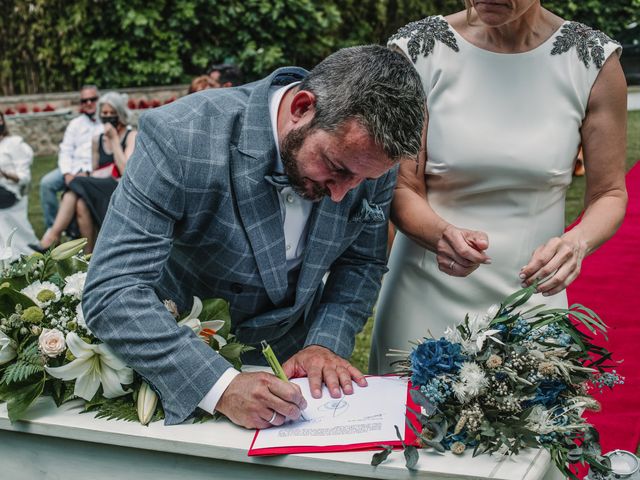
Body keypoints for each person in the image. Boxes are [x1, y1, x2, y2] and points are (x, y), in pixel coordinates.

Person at [82, 45, 426, 429]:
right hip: (178, 357)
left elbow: (361, 263)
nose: (341, 194)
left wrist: (324, 343)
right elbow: (113, 289)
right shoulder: (180, 137)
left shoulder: (366, 159)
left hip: (294, 382)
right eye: (335, 168)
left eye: (364, 180)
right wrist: (221, 385)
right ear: (301, 108)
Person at [369, 1, 628, 374]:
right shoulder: (419, 51)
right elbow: (402, 186)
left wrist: (576, 243)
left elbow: (610, 194)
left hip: (533, 296)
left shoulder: (591, 61)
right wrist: (441, 235)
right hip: (423, 291)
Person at [34, 92, 137, 253]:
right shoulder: (97, 139)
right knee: (81, 202)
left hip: (119, 188)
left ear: (120, 114)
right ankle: (88, 256)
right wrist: (87, 176)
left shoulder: (131, 136)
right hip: (100, 188)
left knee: (75, 182)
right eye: (104, 113)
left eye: (112, 113)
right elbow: (95, 171)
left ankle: (53, 235)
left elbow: (125, 171)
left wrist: (115, 140)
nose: (108, 116)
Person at [39, 85, 103, 230]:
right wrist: (67, 173)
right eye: (84, 100)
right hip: (72, 168)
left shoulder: (105, 123)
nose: (88, 103)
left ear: (98, 100)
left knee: (76, 193)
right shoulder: (75, 124)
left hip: (93, 170)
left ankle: (66, 228)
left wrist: (86, 172)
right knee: (46, 183)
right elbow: (65, 150)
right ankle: (51, 229)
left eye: (92, 99)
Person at [0, 111, 38, 256]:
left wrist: (4, 174)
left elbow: (24, 178)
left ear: (2, 121)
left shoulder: (14, 143)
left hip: (11, 190)